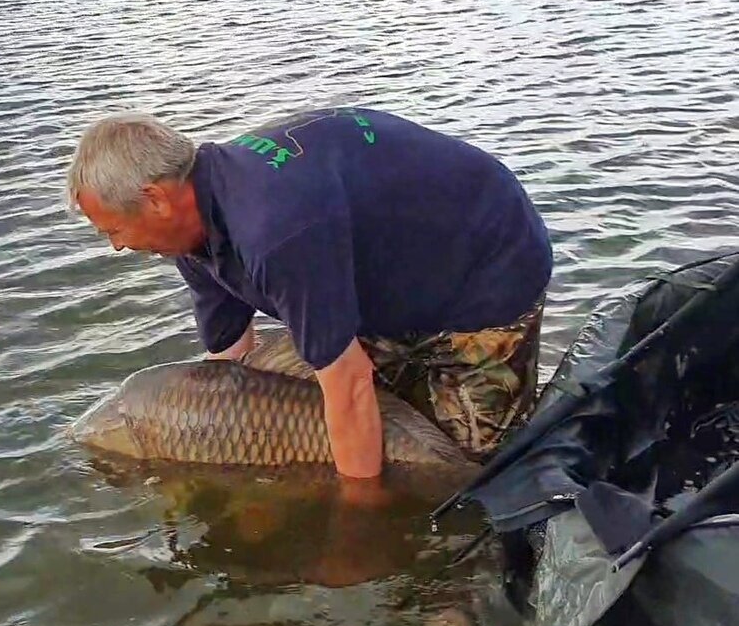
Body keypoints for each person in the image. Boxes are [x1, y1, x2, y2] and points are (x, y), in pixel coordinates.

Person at [65, 107, 553, 483]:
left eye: (114, 230)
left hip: (487, 265)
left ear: (155, 199)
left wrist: (358, 518)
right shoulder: (192, 235)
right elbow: (231, 365)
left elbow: (348, 385)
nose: (118, 246)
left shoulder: (273, 230)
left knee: (457, 473)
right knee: (339, 409)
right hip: (396, 272)